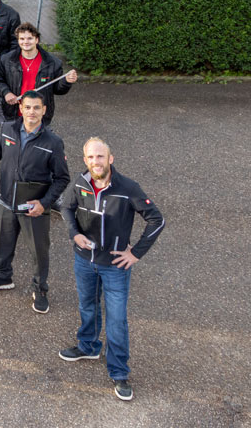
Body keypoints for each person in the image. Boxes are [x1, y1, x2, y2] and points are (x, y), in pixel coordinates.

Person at [58, 138, 164, 401]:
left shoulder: (128, 188)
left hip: (115, 266)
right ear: (85, 160)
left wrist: (135, 253)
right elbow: (65, 207)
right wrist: (74, 234)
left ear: (110, 159)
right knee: (87, 305)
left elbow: (156, 220)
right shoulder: (80, 182)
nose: (96, 162)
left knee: (117, 321)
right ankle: (89, 346)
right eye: (91, 158)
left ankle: (119, 372)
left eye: (100, 157)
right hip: (84, 261)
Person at [0, 92, 69, 313]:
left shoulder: (53, 142)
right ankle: (3, 277)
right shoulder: (8, 130)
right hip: (6, 201)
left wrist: (44, 203)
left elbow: (62, 178)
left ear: (44, 110)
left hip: (33, 207)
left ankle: (40, 289)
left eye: (36, 108)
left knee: (38, 250)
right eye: (28, 107)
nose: (31, 112)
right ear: (20, 109)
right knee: (4, 243)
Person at [0, 23, 77, 125]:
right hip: (13, 113)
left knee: (38, 141)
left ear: (36, 40)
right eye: (22, 39)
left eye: (29, 38)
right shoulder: (6, 60)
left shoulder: (53, 62)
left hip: (40, 117)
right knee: (14, 141)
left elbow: (58, 89)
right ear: (18, 40)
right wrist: (6, 92)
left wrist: (66, 81)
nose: (25, 42)